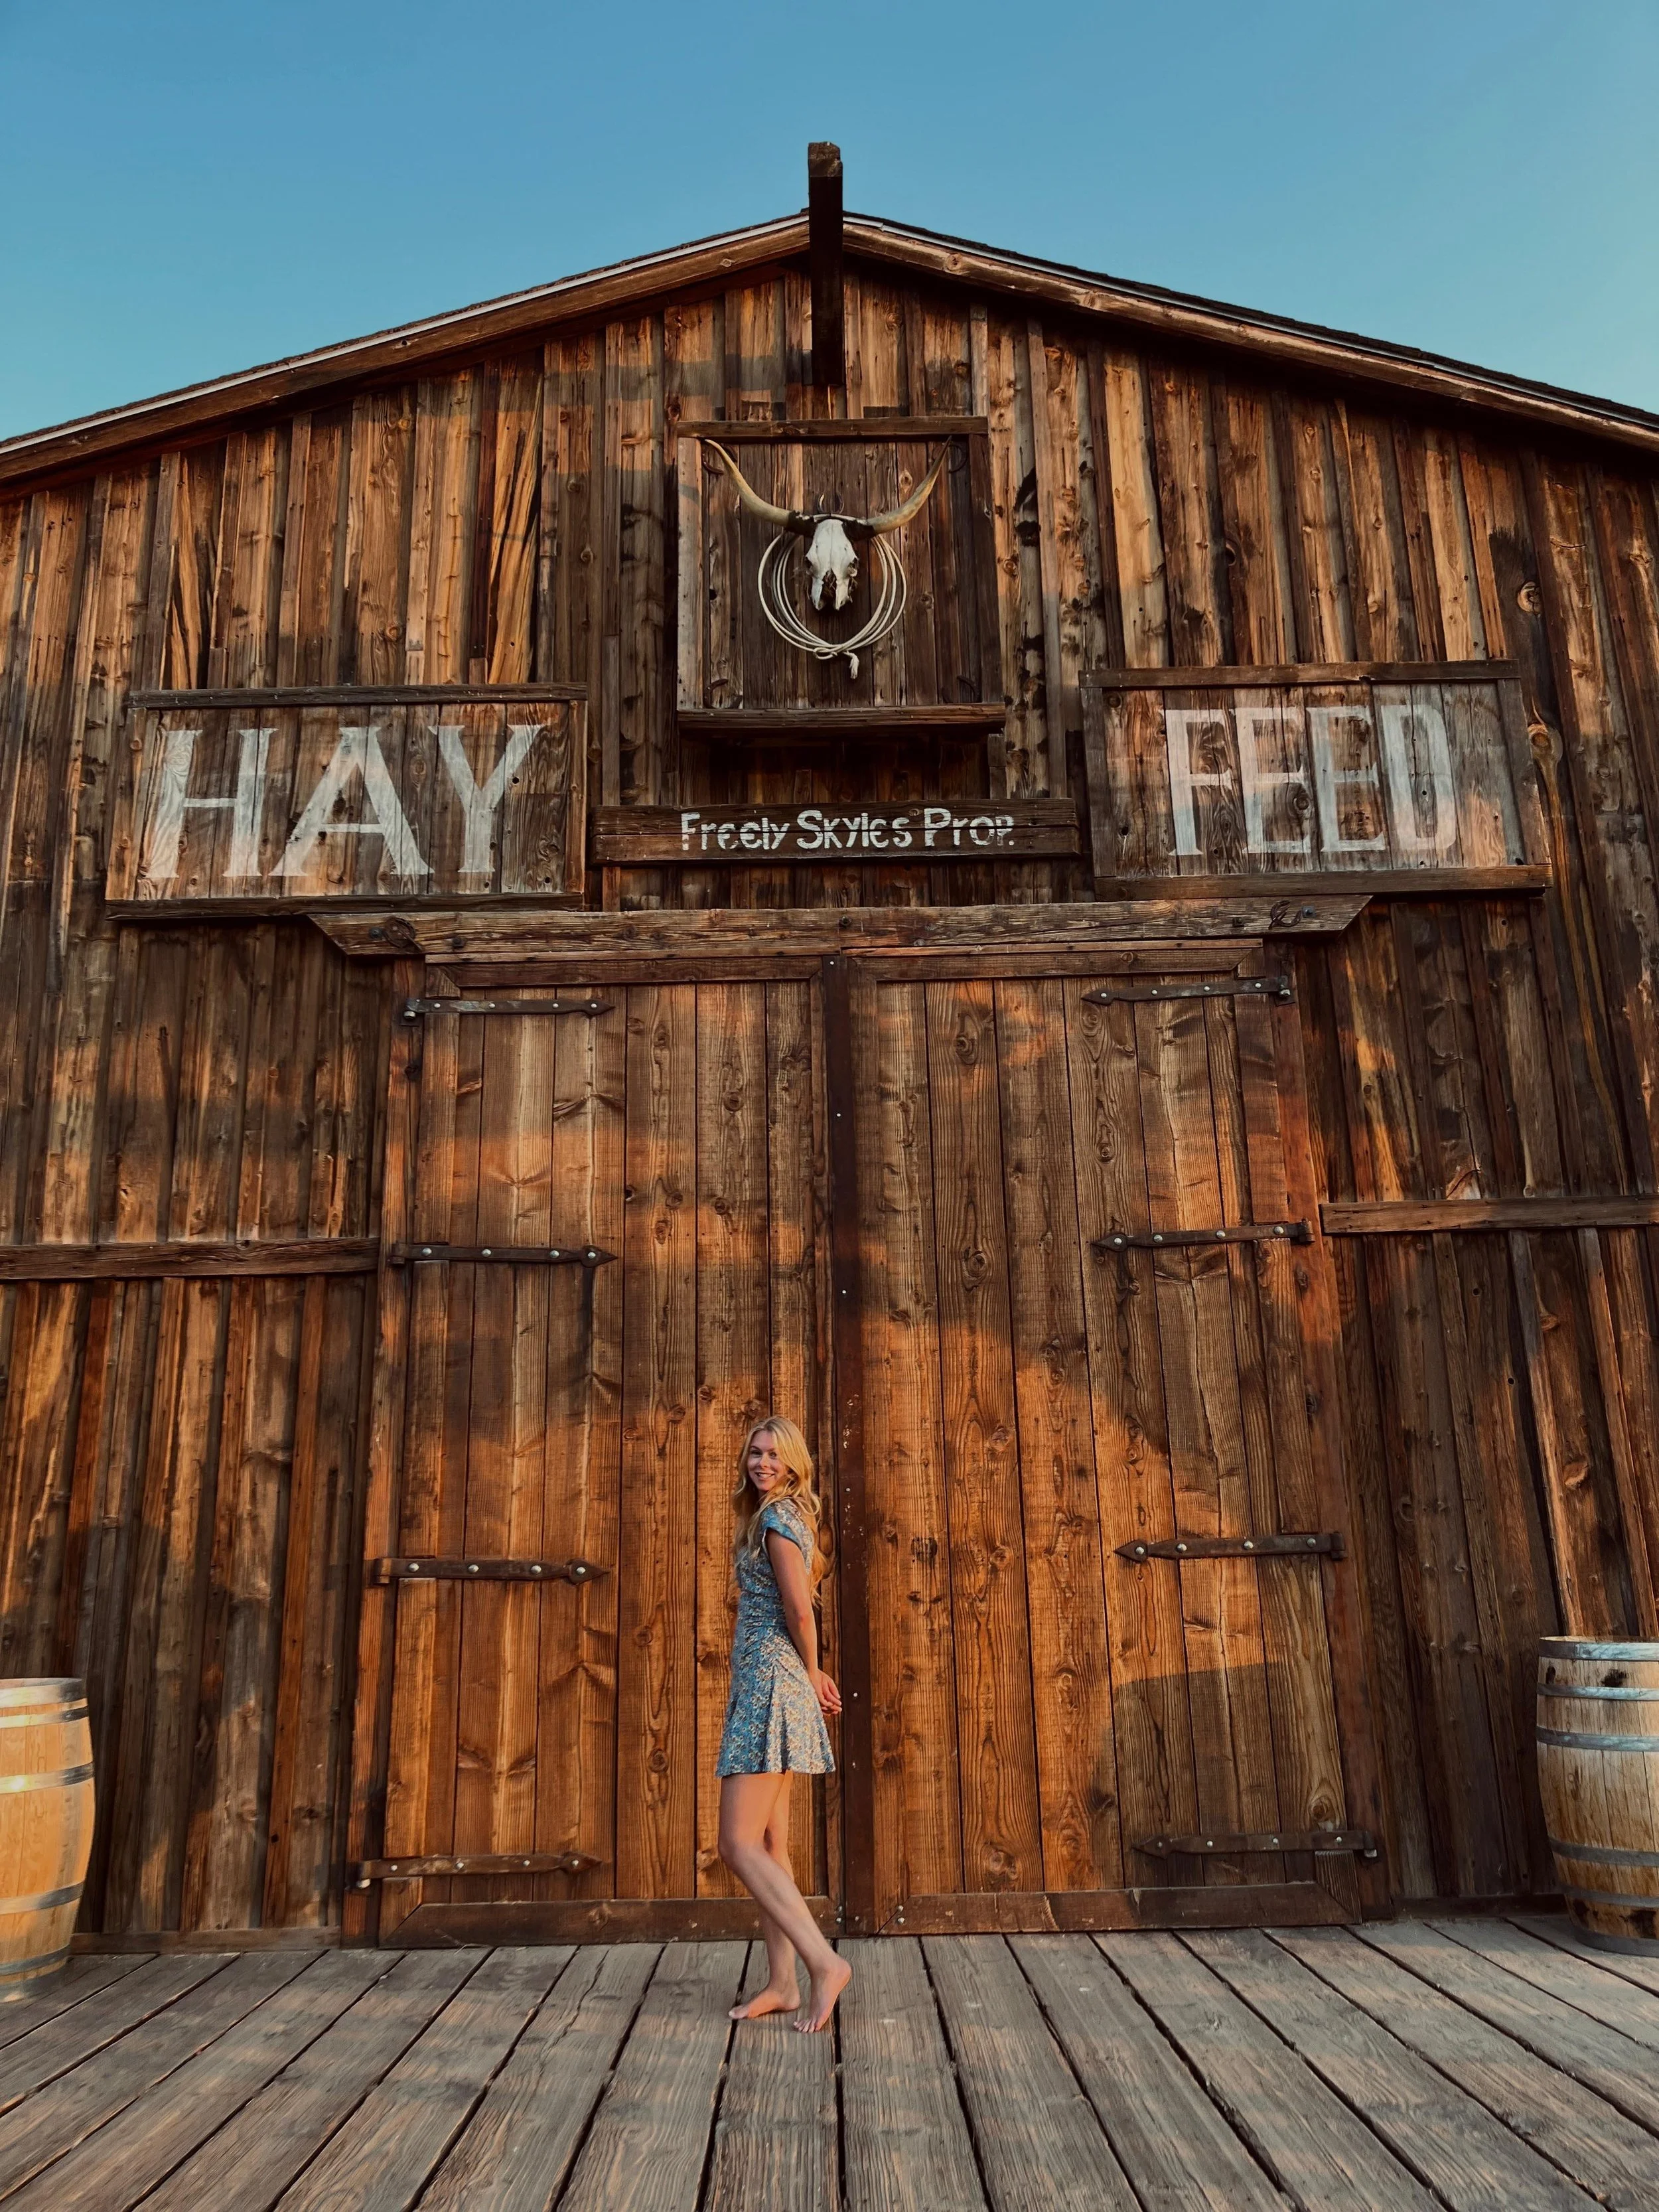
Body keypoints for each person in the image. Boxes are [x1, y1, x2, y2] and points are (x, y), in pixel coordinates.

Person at [716, 1415, 851, 2032]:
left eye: (774, 1454)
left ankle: (824, 1963)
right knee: (773, 1845)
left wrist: (815, 1669)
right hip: (770, 1681)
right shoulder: (785, 1515)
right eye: (755, 1452)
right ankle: (782, 1982)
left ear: (794, 1463)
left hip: (771, 1684)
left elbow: (800, 1607)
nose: (762, 1462)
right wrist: (812, 1674)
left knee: (737, 1843)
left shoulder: (775, 1519)